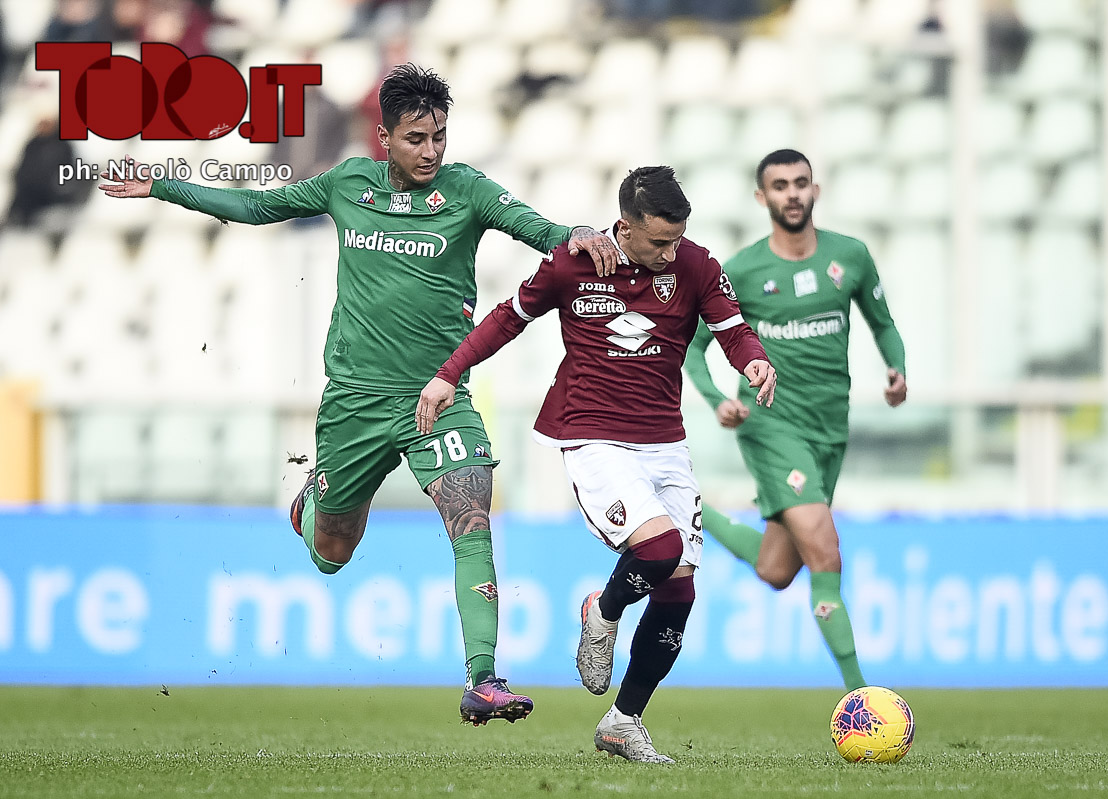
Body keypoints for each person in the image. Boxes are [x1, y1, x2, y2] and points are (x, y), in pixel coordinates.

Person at [99, 63, 620, 725]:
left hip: (438, 396)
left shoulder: (467, 191)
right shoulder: (348, 184)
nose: (430, 151)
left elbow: (538, 229)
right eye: (416, 139)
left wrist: (575, 233)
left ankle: (483, 678)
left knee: (472, 519)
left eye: (439, 137)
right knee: (333, 554)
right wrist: (162, 186)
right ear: (384, 137)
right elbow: (257, 209)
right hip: (355, 401)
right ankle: (314, 501)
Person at [417, 166, 776, 762]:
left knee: (680, 590)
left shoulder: (696, 265)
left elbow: (733, 331)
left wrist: (754, 360)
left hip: (665, 443)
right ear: (625, 228)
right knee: (659, 552)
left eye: (677, 239)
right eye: (659, 241)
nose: (670, 252)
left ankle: (622, 721)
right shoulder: (574, 264)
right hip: (593, 437)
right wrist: (448, 374)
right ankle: (603, 612)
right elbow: (507, 318)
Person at [683, 149, 907, 692]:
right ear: (762, 197)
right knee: (825, 552)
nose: (792, 193)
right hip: (770, 423)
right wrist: (716, 398)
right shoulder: (742, 270)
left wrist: (896, 367)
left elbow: (883, 323)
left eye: (800, 183)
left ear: (815, 190)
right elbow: (693, 344)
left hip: (830, 427)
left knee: (777, 570)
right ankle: (863, 700)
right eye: (780, 185)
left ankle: (690, 511)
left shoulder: (850, 257)